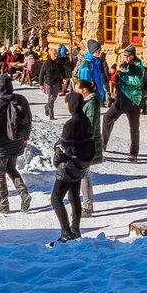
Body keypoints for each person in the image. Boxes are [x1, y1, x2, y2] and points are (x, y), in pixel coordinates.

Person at [48, 90, 96, 245]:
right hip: (81, 164)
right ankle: (75, 229)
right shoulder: (85, 120)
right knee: (74, 196)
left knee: (56, 198)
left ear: (73, 104)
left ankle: (66, 233)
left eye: (68, 103)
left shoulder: (71, 123)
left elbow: (63, 146)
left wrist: (57, 160)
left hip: (68, 166)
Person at [0, 74, 32, 212]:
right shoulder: (21, 99)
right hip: (17, 141)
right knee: (11, 168)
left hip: (1, 146)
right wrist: (26, 137)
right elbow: (29, 119)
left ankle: (4, 204)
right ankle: (24, 194)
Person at [104, 46, 147, 161]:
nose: (126, 57)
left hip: (133, 101)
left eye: (128, 55)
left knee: (134, 128)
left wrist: (122, 75)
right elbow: (119, 79)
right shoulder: (123, 65)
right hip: (121, 100)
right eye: (124, 55)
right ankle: (102, 145)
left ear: (133, 55)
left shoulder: (138, 66)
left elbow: (137, 81)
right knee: (107, 118)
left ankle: (133, 154)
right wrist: (115, 77)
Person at [76, 78, 102, 213]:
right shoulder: (88, 101)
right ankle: (85, 204)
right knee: (84, 174)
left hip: (88, 144)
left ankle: (87, 206)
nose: (75, 92)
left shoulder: (91, 103)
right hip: (86, 142)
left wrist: (83, 143)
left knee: (84, 174)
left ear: (84, 91)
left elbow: (90, 125)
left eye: (77, 90)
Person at [39, 45, 69, 119]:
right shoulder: (46, 63)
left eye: (56, 54)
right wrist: (41, 84)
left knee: (54, 97)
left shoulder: (58, 62)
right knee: (51, 97)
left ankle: (47, 107)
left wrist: (64, 78)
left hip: (56, 82)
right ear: (50, 54)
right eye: (54, 54)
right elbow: (41, 74)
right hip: (48, 82)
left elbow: (62, 70)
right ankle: (51, 114)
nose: (56, 55)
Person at [76, 39, 109, 105]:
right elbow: (84, 79)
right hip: (90, 93)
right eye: (98, 51)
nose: (99, 52)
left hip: (97, 91)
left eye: (100, 51)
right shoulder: (87, 63)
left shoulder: (97, 61)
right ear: (93, 51)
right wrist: (88, 91)